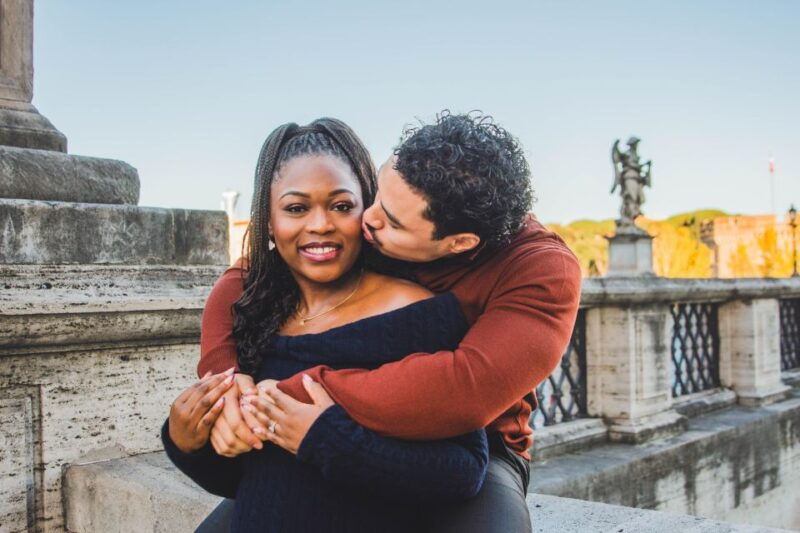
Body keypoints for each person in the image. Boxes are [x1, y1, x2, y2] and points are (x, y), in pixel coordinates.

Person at [199, 111, 582, 532]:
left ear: (459, 244)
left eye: (392, 220)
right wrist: (227, 380)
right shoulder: (388, 211)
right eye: (376, 195)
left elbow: (464, 391)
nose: (368, 218)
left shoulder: (541, 270)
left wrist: (285, 395)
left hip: (479, 443)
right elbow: (246, 274)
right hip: (336, 422)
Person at [163, 118, 490, 533]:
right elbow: (245, 480)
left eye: (341, 206)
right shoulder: (256, 315)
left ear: (367, 209)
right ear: (268, 219)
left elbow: (463, 473)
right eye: (296, 208)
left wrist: (324, 439)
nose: (320, 225)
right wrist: (185, 441)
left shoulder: (417, 313)